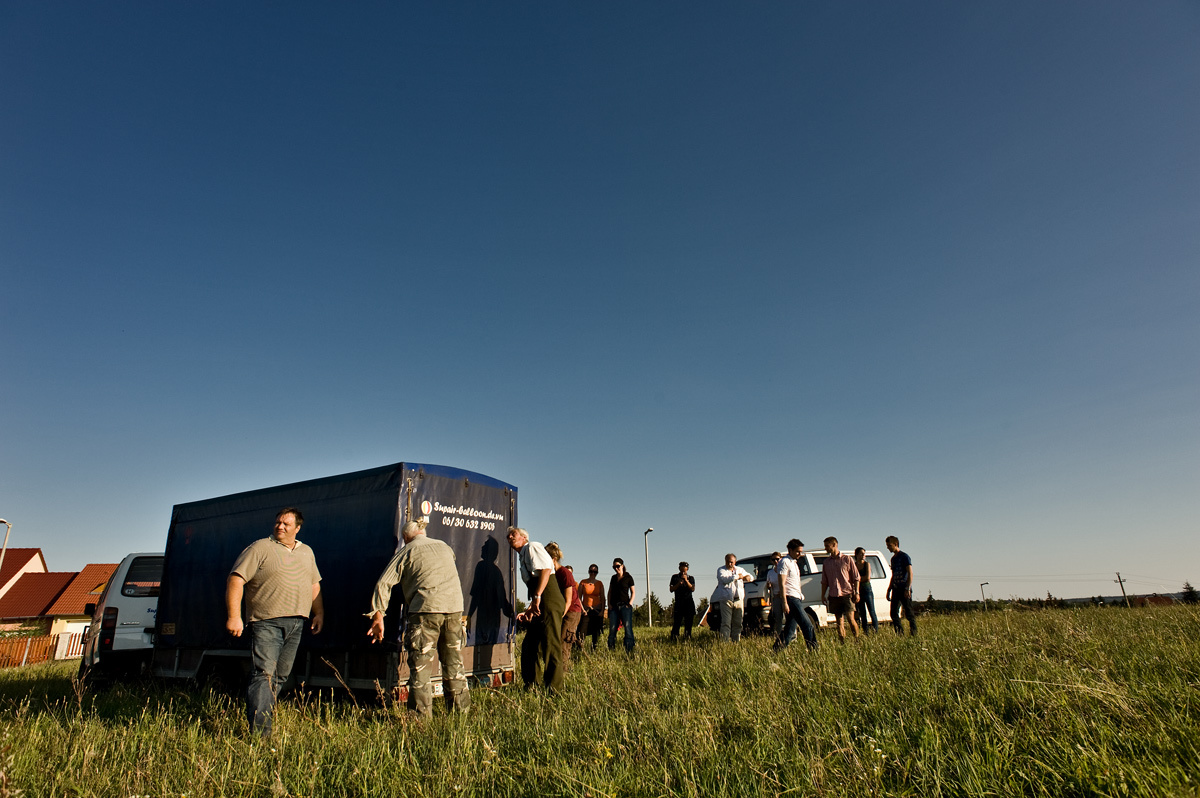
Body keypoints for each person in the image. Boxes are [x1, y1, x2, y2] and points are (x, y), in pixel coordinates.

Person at [226, 507, 324, 736]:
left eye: (286, 524)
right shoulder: (260, 547)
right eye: (278, 522)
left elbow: (314, 585)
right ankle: (261, 734)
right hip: (266, 622)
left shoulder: (306, 551)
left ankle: (264, 717)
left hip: (297, 622)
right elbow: (236, 579)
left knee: (280, 676)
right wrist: (234, 616)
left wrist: (319, 613)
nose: (280, 526)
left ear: (297, 528)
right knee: (264, 674)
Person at [366, 519, 470, 717]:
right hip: (454, 609)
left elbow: (383, 584)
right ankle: (460, 716)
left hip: (426, 610)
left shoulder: (407, 550)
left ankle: (420, 720)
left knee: (421, 667)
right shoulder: (445, 547)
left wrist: (378, 615)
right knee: (454, 665)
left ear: (406, 538)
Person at [506, 527, 566, 691]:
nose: (510, 536)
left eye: (514, 534)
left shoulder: (532, 546)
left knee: (551, 645)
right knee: (529, 645)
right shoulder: (522, 555)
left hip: (549, 599)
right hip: (539, 600)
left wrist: (537, 597)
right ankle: (532, 685)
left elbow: (546, 570)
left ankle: (555, 689)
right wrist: (530, 609)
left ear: (524, 537)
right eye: (508, 536)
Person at [773, 538, 818, 651]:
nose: (800, 554)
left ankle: (776, 650)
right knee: (807, 625)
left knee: (790, 628)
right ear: (790, 550)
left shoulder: (794, 563)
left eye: (801, 551)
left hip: (796, 597)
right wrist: (784, 602)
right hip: (790, 598)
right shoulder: (784, 562)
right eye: (797, 551)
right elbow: (782, 583)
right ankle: (814, 649)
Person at [545, 542, 582, 666]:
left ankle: (563, 672)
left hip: (571, 611)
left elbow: (568, 600)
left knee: (563, 641)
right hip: (561, 610)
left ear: (554, 559)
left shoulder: (565, 573)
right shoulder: (551, 574)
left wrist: (560, 616)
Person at [820, 536, 860, 642]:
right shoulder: (826, 563)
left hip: (847, 593)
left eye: (827, 546)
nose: (826, 549)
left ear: (834, 545)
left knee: (851, 619)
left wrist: (857, 592)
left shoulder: (847, 559)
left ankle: (857, 639)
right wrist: (823, 594)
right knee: (839, 621)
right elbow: (824, 581)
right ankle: (842, 641)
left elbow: (856, 577)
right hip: (834, 594)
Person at [712, 553, 752, 642]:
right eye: (728, 562)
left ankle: (736, 641)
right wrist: (738, 576)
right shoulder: (721, 570)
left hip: (738, 600)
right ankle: (725, 642)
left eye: (731, 562)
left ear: (735, 562)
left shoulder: (740, 569)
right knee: (726, 623)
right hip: (726, 600)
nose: (730, 564)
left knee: (738, 623)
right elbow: (725, 580)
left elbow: (751, 577)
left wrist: (747, 577)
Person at [885, 535, 917, 636]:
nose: (888, 548)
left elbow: (910, 573)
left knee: (908, 612)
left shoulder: (904, 557)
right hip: (896, 588)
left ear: (895, 544)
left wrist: (908, 588)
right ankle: (900, 634)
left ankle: (913, 633)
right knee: (894, 613)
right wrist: (889, 588)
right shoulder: (893, 559)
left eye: (889, 545)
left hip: (904, 587)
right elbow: (893, 575)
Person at [607, 558, 636, 653]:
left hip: (625, 606)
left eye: (618, 566)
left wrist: (630, 603)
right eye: (614, 567)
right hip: (614, 607)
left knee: (628, 628)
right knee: (612, 629)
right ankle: (611, 650)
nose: (616, 568)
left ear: (622, 566)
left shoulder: (628, 577)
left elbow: (633, 592)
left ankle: (629, 650)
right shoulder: (613, 578)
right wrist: (609, 605)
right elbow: (610, 591)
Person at [577, 564, 606, 651]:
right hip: (586, 609)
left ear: (597, 572)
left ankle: (594, 649)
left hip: (596, 610)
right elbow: (578, 597)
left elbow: (603, 597)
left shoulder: (599, 583)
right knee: (582, 631)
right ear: (588, 572)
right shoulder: (583, 582)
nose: (593, 573)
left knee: (596, 631)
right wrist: (582, 609)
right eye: (591, 571)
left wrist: (602, 611)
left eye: (595, 572)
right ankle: (580, 649)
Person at [853, 547, 879, 634]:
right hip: (858, 591)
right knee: (862, 613)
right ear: (856, 555)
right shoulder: (854, 565)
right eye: (861, 553)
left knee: (871, 611)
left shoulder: (867, 564)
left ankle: (875, 631)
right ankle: (866, 632)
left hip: (867, 590)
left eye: (864, 553)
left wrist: (858, 579)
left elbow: (867, 578)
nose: (863, 555)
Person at [668, 562, 696, 642]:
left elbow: (692, 588)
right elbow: (671, 589)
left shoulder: (691, 578)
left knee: (688, 623)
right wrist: (678, 584)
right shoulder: (674, 577)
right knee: (677, 622)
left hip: (689, 602)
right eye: (682, 569)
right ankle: (674, 638)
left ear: (687, 569)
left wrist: (686, 581)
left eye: (685, 570)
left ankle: (687, 638)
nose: (683, 572)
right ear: (679, 568)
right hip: (679, 602)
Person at [765, 551, 784, 636]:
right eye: (773, 560)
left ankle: (792, 635)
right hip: (776, 597)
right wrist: (768, 585)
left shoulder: (784, 569)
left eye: (777, 559)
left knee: (789, 617)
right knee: (777, 618)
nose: (776, 561)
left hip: (786, 596)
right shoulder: (770, 573)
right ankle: (778, 636)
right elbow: (768, 584)